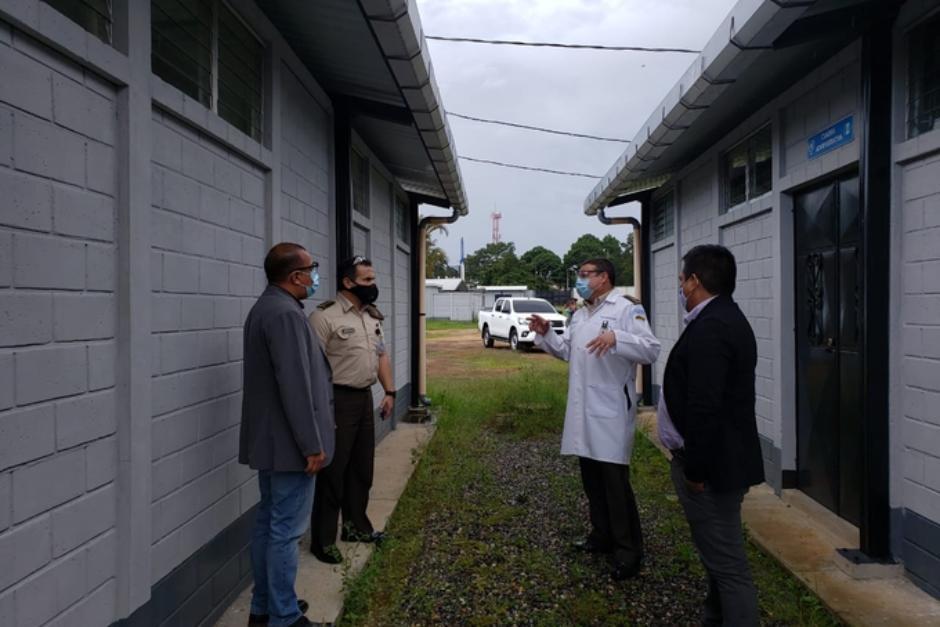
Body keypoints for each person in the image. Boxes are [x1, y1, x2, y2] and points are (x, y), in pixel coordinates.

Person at [529, 258, 660, 581]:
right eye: (580, 274)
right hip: (583, 408)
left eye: (586, 274)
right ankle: (601, 536)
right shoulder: (580, 312)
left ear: (605, 278)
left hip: (611, 410)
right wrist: (546, 334)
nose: (581, 279)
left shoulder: (626, 309)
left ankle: (629, 551)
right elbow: (569, 351)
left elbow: (650, 349)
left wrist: (618, 338)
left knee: (615, 484)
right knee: (592, 480)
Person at [659, 244, 765, 626]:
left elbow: (706, 406)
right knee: (719, 559)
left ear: (695, 282)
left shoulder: (713, 328)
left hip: (711, 469)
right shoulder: (721, 318)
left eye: (682, 280)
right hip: (720, 462)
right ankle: (715, 618)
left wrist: (696, 471)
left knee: (729, 566)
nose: (681, 288)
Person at [239, 243, 335, 627]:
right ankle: (283, 616)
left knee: (270, 525)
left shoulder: (266, 308)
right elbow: (296, 387)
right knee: (286, 531)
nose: (315, 275)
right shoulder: (285, 315)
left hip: (272, 442)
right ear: (295, 277)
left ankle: (265, 609)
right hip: (291, 445)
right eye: (311, 269)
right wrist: (312, 444)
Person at [308, 256, 396, 564]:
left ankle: (356, 527)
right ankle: (323, 540)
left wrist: (389, 391)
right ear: (348, 282)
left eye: (373, 279)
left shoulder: (369, 316)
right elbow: (311, 369)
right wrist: (321, 412)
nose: (373, 286)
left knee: (361, 468)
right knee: (333, 471)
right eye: (367, 280)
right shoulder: (324, 318)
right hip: (336, 400)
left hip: (363, 399)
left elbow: (381, 355)